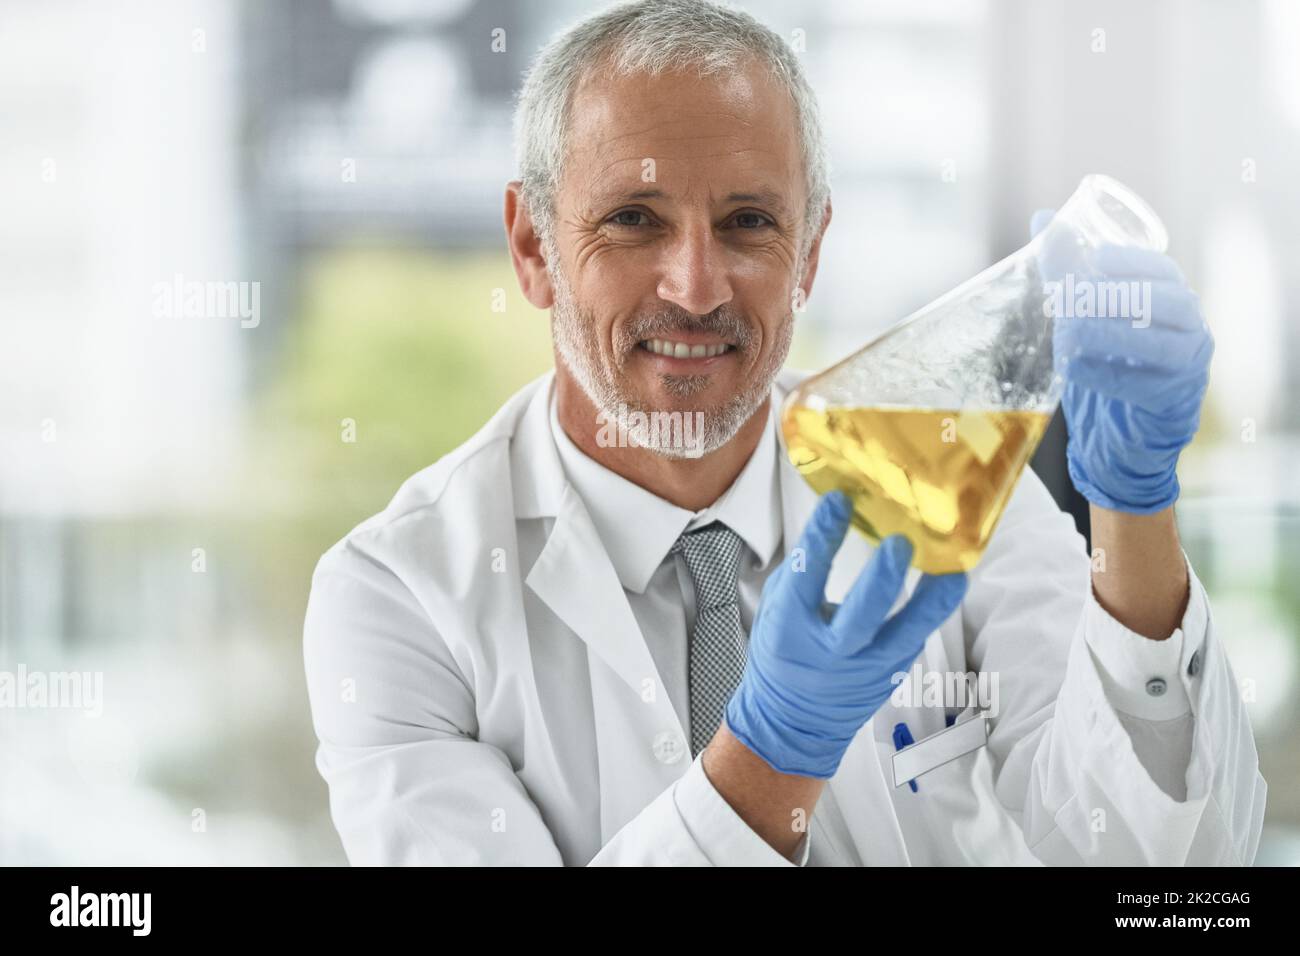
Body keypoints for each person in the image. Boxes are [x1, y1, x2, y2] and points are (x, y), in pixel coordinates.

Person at [303, 0, 1265, 865]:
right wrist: (773, 754)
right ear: (532, 249)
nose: (696, 287)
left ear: (810, 254)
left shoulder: (947, 481)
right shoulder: (400, 595)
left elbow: (1165, 873)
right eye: (634, 219)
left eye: (749, 221)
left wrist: (1137, 517)